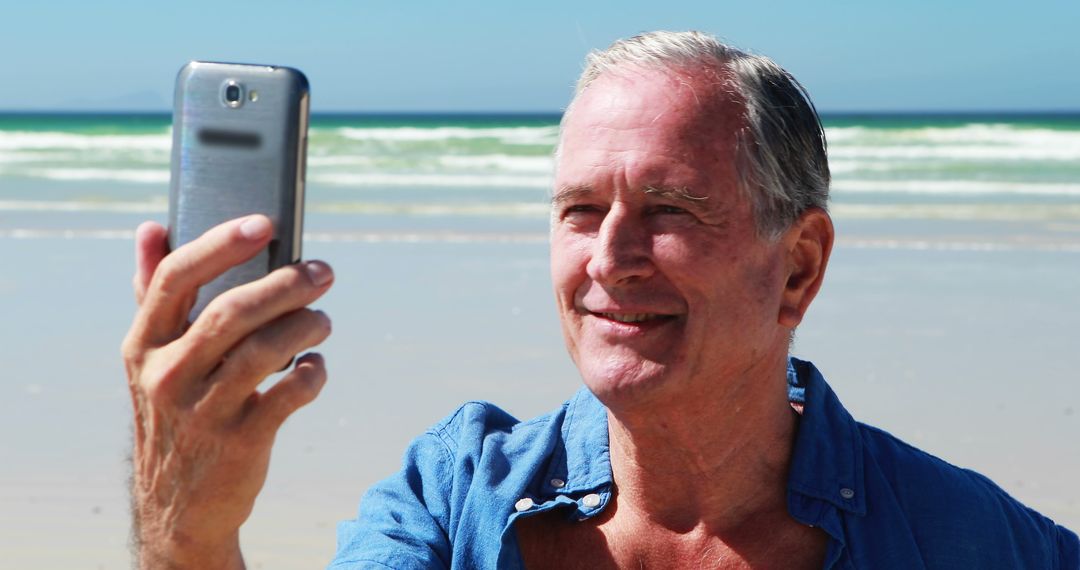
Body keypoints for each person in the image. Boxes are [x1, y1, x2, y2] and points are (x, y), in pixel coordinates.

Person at [123, 31, 1078, 569]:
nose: (610, 259)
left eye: (668, 209)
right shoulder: (457, 501)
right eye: (581, 211)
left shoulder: (962, 538)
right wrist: (190, 530)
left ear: (798, 267)